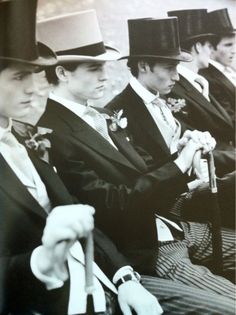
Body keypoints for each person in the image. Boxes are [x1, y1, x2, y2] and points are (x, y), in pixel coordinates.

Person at [37, 11, 236, 312]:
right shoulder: (53, 132)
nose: (105, 76)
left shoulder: (101, 115)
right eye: (93, 68)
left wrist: (180, 152)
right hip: (147, 248)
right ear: (62, 73)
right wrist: (179, 164)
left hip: (172, 226)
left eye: (104, 67)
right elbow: (114, 203)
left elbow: (140, 173)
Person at [0, 2, 168, 315]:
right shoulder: (45, 134)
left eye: (33, 76)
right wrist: (42, 260)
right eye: (18, 77)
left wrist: (125, 277)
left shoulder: (25, 138)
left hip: (105, 277)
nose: (33, 89)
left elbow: (77, 211)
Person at [106, 16, 235, 226]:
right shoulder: (118, 112)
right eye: (169, 68)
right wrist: (186, 158)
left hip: (198, 186)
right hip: (170, 206)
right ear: (144, 65)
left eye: (177, 68)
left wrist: (197, 143)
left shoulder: (161, 97)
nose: (176, 77)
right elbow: (145, 176)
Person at [165, 9, 235, 177]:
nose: (212, 52)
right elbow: (196, 143)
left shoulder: (198, 82)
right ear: (197, 46)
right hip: (214, 171)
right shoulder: (175, 88)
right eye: (209, 46)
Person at [200, 8, 236, 124]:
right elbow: (230, 118)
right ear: (211, 47)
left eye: (234, 44)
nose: (234, 50)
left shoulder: (230, 69)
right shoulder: (208, 78)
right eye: (228, 45)